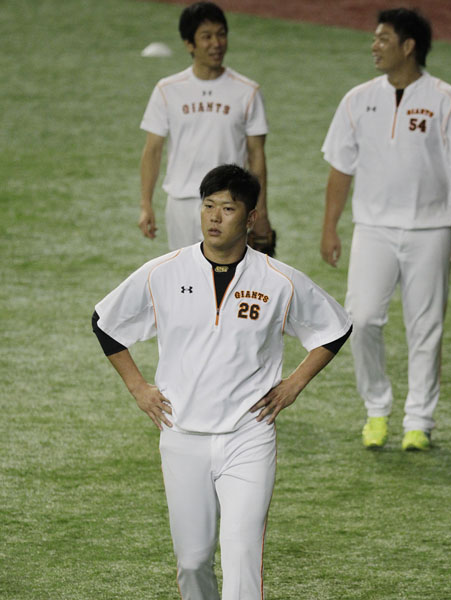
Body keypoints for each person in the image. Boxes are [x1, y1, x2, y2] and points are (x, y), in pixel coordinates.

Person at [93, 164, 352, 599]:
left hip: (248, 437)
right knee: (193, 562)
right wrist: (138, 387)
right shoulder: (164, 272)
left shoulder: (279, 280)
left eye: (228, 208)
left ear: (251, 218)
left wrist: (293, 384)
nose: (214, 217)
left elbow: (336, 327)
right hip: (182, 434)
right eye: (208, 206)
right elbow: (106, 323)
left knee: (241, 554)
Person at [320, 8, 451, 451]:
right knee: (361, 318)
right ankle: (376, 409)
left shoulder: (447, 100)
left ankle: (419, 420)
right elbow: (340, 169)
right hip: (373, 229)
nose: (374, 47)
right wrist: (330, 227)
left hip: (431, 229)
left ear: (408, 46)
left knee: (426, 328)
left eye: (383, 39)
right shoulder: (357, 100)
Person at [139, 1, 272, 251]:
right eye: (206, 36)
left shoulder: (248, 91)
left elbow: (257, 156)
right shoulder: (167, 90)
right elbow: (152, 150)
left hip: (230, 203)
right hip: (181, 202)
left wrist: (261, 211)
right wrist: (146, 204)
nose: (216, 43)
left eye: (221, 34)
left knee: (229, 273)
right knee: (184, 273)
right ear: (189, 44)